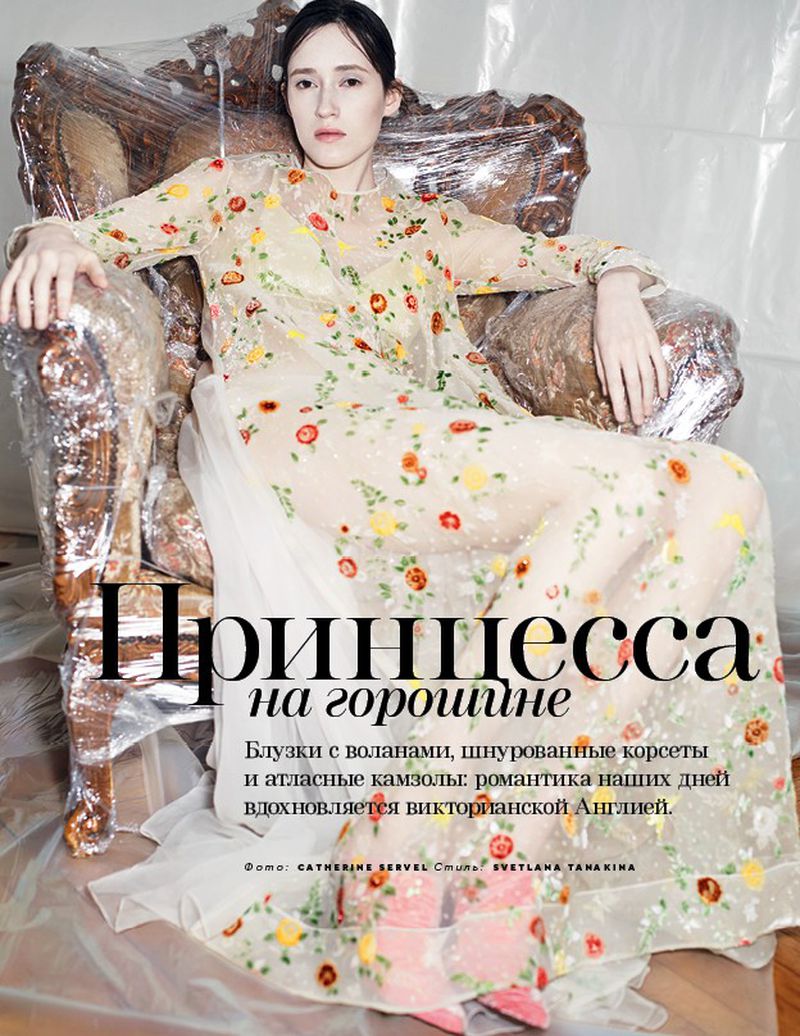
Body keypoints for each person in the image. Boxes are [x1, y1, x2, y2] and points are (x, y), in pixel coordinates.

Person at [2, 1, 798, 1032]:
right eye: (304, 83)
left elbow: (586, 254)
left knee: (721, 490)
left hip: (416, 434)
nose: (325, 105)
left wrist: (614, 285)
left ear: (387, 97)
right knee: (638, 490)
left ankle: (488, 858)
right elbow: (93, 230)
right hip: (293, 432)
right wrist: (48, 233)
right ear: (285, 98)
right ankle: (404, 852)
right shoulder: (233, 188)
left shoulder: (429, 228)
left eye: (349, 82)